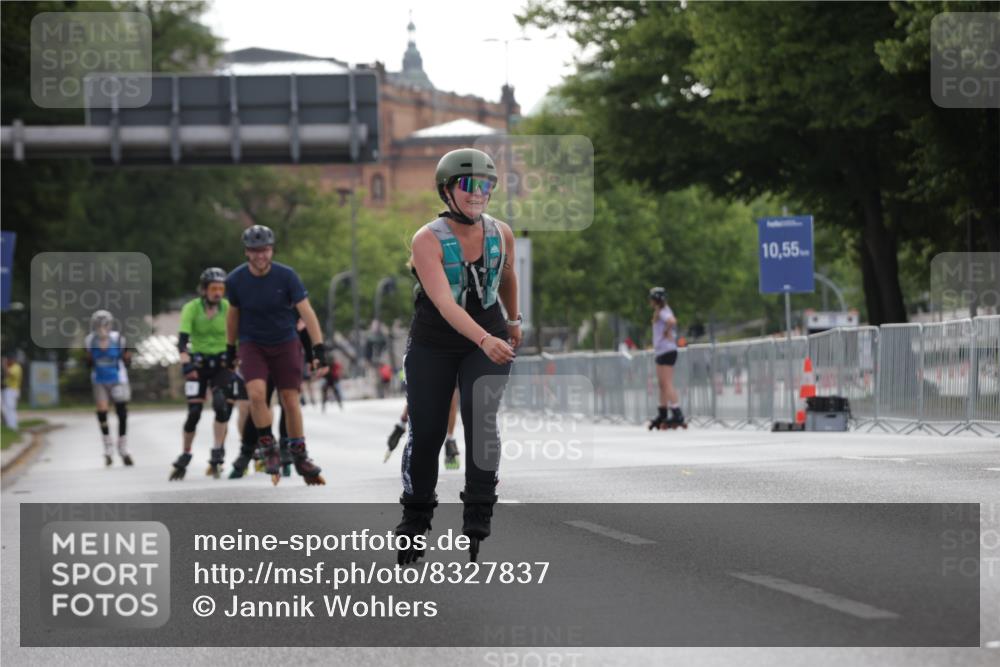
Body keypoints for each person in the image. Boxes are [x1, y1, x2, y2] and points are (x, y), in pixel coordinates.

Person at [395, 147, 520, 564]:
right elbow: (447, 306)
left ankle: (479, 507)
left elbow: (507, 276)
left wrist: (515, 322)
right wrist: (485, 339)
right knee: (428, 433)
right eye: (468, 185)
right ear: (447, 190)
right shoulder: (426, 239)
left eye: (486, 185)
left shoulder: (501, 232)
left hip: (487, 333)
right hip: (434, 340)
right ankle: (414, 520)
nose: (478, 193)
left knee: (479, 415)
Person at [224, 224, 328, 486]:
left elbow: (307, 313)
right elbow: (233, 316)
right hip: (252, 344)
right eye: (255, 251)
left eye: (265, 250)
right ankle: (268, 448)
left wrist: (318, 349)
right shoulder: (236, 280)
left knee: (290, 399)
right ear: (247, 252)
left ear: (272, 250)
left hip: (285, 342)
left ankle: (299, 454)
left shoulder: (287, 276)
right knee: (257, 395)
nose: (261, 256)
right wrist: (229, 348)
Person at [170, 268, 238, 481]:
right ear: (204, 290)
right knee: (194, 413)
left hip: (221, 363)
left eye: (221, 288)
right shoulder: (191, 308)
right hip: (198, 363)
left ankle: (218, 451)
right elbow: (182, 340)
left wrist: (234, 359)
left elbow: (237, 336)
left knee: (221, 405)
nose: (218, 293)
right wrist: (186, 364)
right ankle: (186, 452)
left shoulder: (228, 307)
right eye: (213, 288)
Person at [85, 310, 133, 466]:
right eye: (99, 325)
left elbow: (127, 361)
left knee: (122, 412)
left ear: (110, 325)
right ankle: (108, 446)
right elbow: (89, 362)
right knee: (102, 412)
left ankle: (123, 446)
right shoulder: (90, 340)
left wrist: (127, 357)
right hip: (99, 379)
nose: (102, 328)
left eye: (105, 324)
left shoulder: (119, 339)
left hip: (117, 378)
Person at [647, 287, 685, 430]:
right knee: (662, 384)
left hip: (668, 351)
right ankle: (662, 412)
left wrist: (666, 331)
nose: (649, 301)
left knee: (667, 383)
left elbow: (672, 321)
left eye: (651, 299)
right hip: (661, 352)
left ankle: (677, 412)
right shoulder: (659, 312)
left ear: (656, 300)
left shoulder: (664, 312)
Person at [1, 354, 22, 431]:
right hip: (8, 390)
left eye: (8, 360)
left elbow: (9, 374)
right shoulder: (11, 367)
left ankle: (13, 427)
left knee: (10, 409)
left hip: (12, 390)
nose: (7, 362)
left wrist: (3, 364)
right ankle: (9, 425)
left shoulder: (16, 367)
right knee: (6, 408)